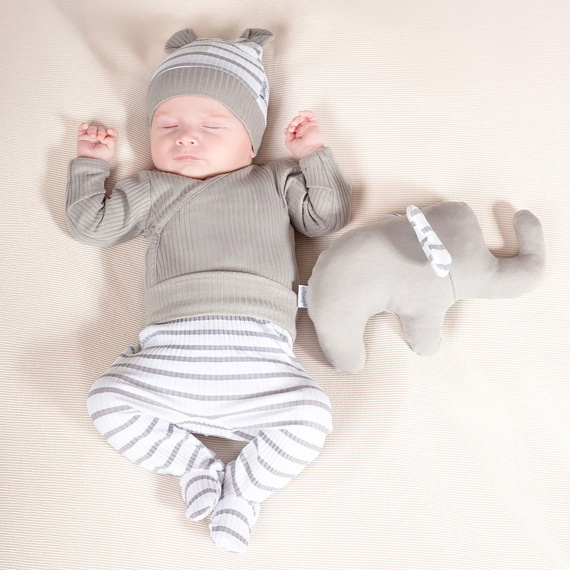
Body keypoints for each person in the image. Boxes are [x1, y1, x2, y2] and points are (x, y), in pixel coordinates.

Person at [66, 27, 351, 554]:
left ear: (252, 140)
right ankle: (194, 465)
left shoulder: (272, 180)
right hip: (170, 351)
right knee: (106, 401)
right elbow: (93, 225)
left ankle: (243, 492)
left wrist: (313, 155)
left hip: (261, 360)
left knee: (313, 416)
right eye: (167, 125)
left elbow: (326, 216)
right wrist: (90, 166)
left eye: (211, 125)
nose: (186, 138)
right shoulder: (154, 188)